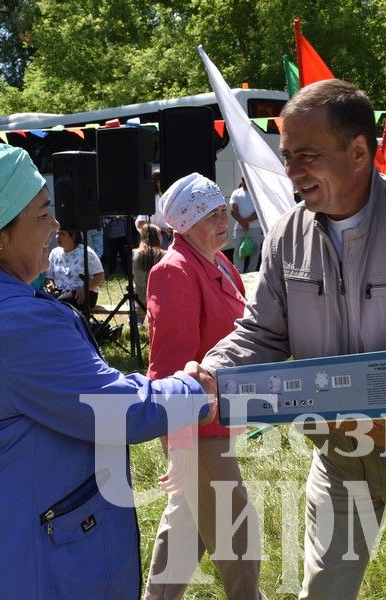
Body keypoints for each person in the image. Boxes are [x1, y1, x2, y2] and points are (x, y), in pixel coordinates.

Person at [196, 79, 386, 599]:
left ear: (359, 151)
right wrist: (215, 369)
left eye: (306, 155)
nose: (291, 172)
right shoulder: (286, 234)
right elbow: (263, 331)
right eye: (286, 156)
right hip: (337, 458)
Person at [0, 140, 216, 599]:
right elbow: (113, 408)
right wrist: (193, 392)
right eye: (41, 214)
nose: (54, 226)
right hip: (21, 565)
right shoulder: (16, 323)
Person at [144, 173, 263, 600]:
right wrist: (179, 442)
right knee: (239, 535)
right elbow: (169, 366)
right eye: (211, 215)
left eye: (221, 212)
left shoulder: (220, 261)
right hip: (197, 426)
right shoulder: (173, 271)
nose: (223, 221)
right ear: (187, 222)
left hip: (217, 419)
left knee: (186, 527)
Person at [44, 229, 105, 311]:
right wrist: (51, 286)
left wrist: (84, 289)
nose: (58, 237)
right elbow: (49, 277)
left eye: (62, 234)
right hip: (59, 293)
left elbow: (100, 277)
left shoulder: (86, 252)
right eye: (57, 233)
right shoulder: (54, 253)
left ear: (73, 236)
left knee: (61, 303)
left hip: (83, 294)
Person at [230, 177, 264, 273]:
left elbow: (259, 211)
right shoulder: (236, 193)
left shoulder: (257, 193)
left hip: (255, 228)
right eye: (245, 179)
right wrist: (243, 222)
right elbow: (233, 210)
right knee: (238, 251)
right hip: (240, 228)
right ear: (242, 180)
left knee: (255, 251)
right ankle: (238, 273)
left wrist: (246, 222)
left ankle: (251, 271)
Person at [131, 223, 164, 321]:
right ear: (157, 237)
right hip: (158, 303)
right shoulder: (164, 255)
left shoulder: (134, 253)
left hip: (138, 301)